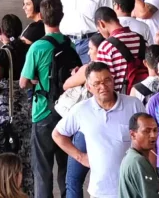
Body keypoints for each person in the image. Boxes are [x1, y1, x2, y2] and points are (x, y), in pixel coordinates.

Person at [52, 61, 145, 198]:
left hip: (132, 188)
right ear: (89, 87)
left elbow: (148, 138)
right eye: (96, 83)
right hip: (100, 191)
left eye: (107, 80)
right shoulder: (81, 109)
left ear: (113, 81)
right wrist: (80, 157)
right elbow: (58, 134)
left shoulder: (133, 104)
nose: (103, 86)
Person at [20, 0, 77, 198]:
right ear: (61, 17)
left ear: (41, 17)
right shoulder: (68, 43)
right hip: (66, 113)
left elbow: (23, 82)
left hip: (43, 111)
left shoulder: (37, 47)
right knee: (64, 166)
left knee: (42, 169)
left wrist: (35, 80)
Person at [0, 16, 33, 194]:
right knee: (23, 162)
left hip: (2, 120)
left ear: (2, 32)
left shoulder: (3, 55)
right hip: (24, 115)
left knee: (0, 164)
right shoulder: (29, 50)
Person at [93, 7, 148, 93]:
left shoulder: (105, 47)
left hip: (122, 99)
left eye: (99, 30)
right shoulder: (140, 39)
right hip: (145, 94)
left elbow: (103, 81)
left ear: (101, 24)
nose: (101, 35)